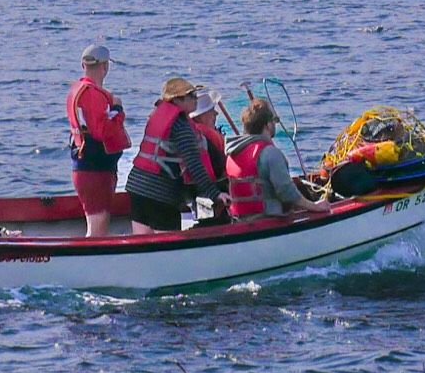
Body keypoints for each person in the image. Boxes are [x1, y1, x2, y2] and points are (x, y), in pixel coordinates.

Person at [125, 77, 222, 233]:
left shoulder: (157, 115)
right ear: (178, 100)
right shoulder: (182, 127)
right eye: (191, 96)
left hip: (136, 186)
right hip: (160, 192)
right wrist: (216, 195)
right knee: (168, 238)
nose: (195, 99)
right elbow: (194, 166)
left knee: (142, 239)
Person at [65, 43, 130, 237]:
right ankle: (89, 263)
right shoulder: (92, 95)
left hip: (89, 166)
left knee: (97, 222)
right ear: (105, 67)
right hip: (94, 170)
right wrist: (118, 110)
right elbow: (101, 132)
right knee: (98, 225)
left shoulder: (79, 90)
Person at [227, 98, 329, 219]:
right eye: (274, 121)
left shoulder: (233, 152)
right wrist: (315, 206)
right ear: (267, 125)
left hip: (240, 220)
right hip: (265, 219)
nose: (275, 124)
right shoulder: (270, 153)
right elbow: (287, 193)